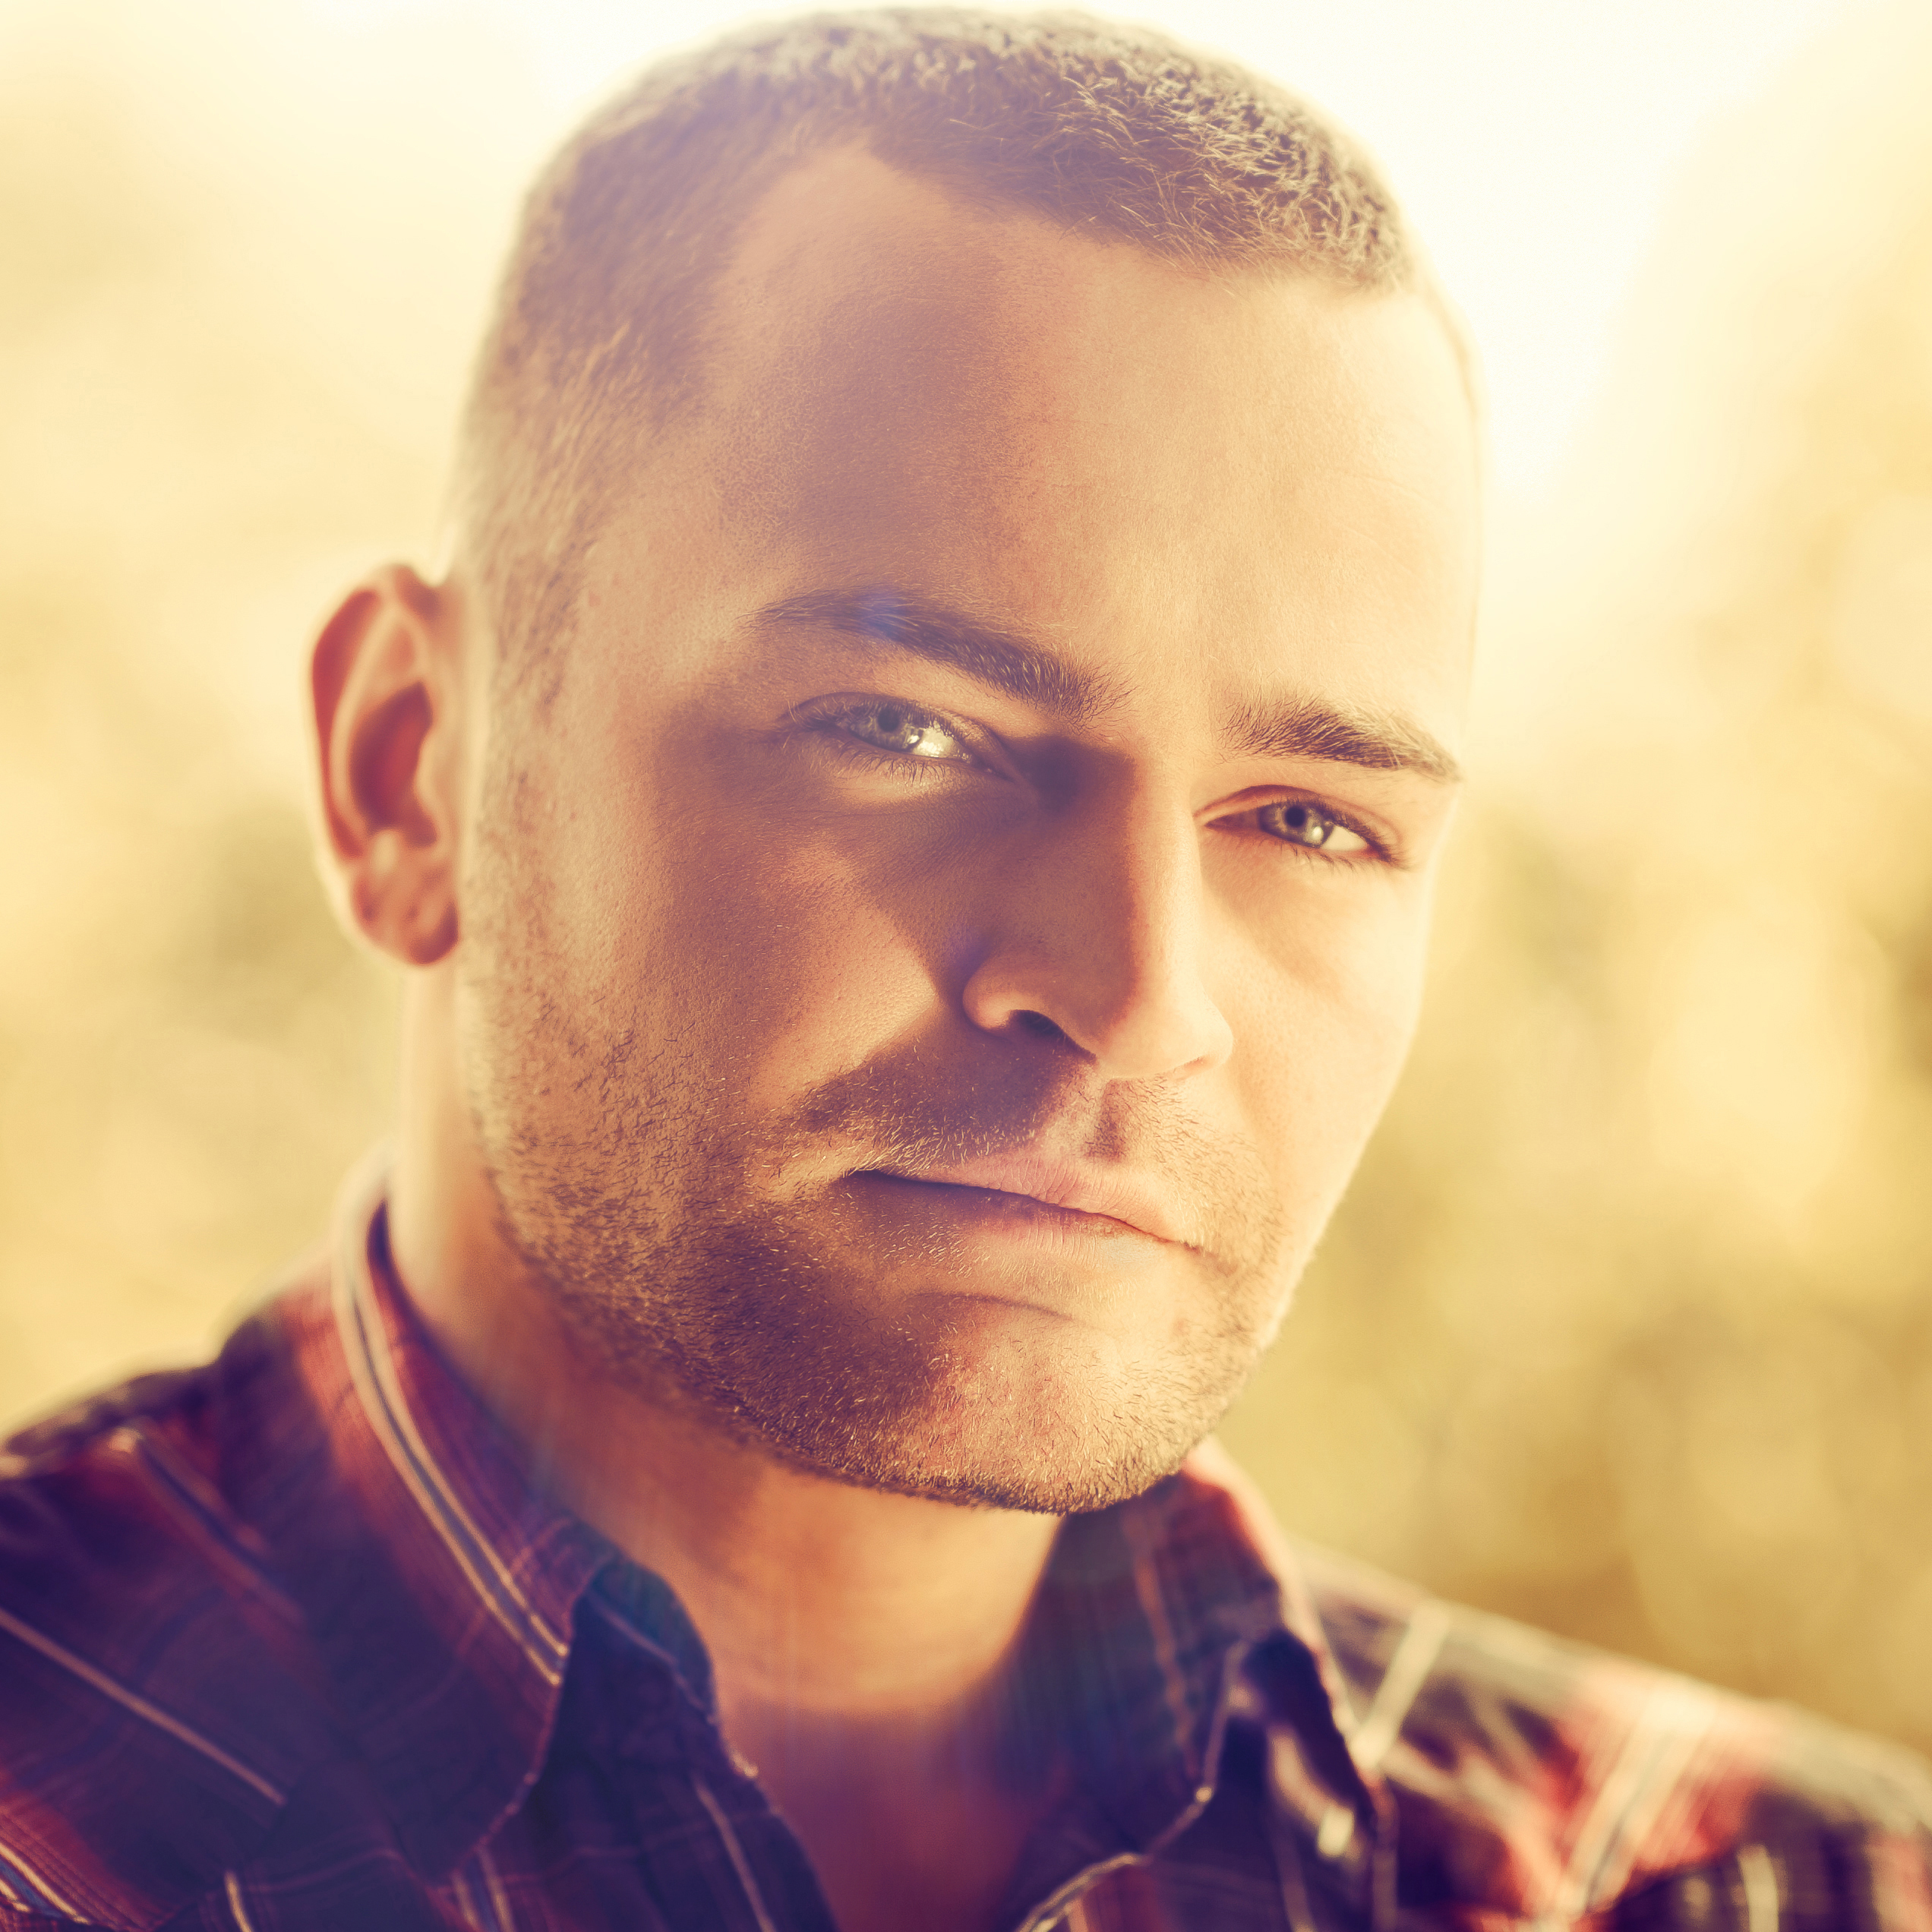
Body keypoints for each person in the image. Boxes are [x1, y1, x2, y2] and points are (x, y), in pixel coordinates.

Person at [2, 9, 1927, 1929]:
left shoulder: (1777, 1892)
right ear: (406, 770)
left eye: (1310, 822)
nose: (1141, 997)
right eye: (906, 731)